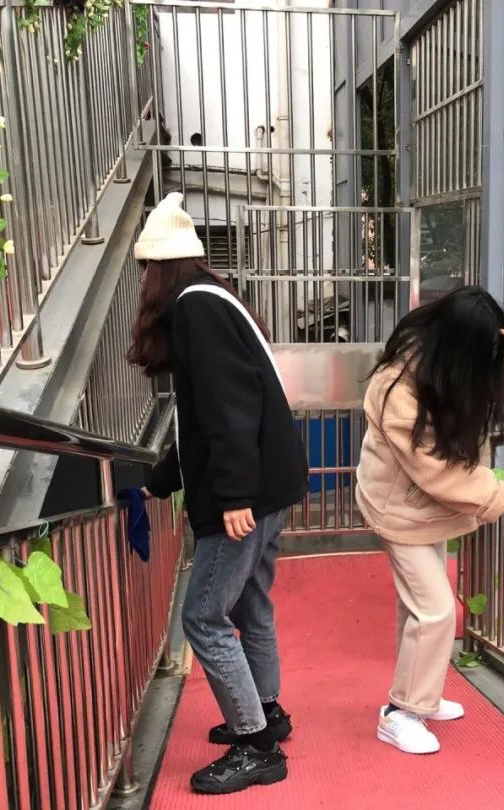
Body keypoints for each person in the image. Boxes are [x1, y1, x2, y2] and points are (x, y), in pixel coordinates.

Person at [128, 192, 308, 794]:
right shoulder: (215, 298)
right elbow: (208, 420)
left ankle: (256, 746)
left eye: (145, 270)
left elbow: (230, 411)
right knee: (251, 604)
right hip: (269, 485)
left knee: (202, 616)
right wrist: (159, 481)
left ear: (160, 267)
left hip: (246, 494)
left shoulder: (194, 309)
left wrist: (232, 496)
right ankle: (267, 712)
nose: (143, 284)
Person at [355, 286, 504, 754]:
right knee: (435, 609)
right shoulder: (397, 385)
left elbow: (501, 386)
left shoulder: (452, 362)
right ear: (459, 343)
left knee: (420, 606)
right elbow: (434, 469)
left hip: (425, 509)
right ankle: (401, 712)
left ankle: (418, 697)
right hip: (399, 509)